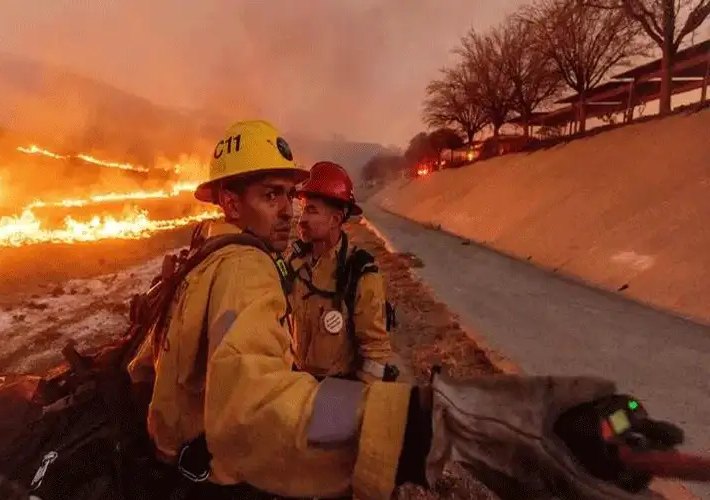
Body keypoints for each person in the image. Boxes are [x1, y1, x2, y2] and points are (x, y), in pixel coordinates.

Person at [128, 119, 684, 500]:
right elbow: (255, 406)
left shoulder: (209, 257)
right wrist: (428, 421)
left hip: (237, 442)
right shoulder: (246, 269)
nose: (290, 212)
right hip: (228, 469)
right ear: (230, 201)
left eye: (291, 197)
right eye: (270, 196)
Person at [288, 161, 396, 382]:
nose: (302, 220)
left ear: (335, 220)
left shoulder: (360, 272)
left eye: (311, 211)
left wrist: (355, 403)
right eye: (303, 210)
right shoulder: (295, 262)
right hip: (296, 385)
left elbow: (375, 353)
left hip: (337, 390)